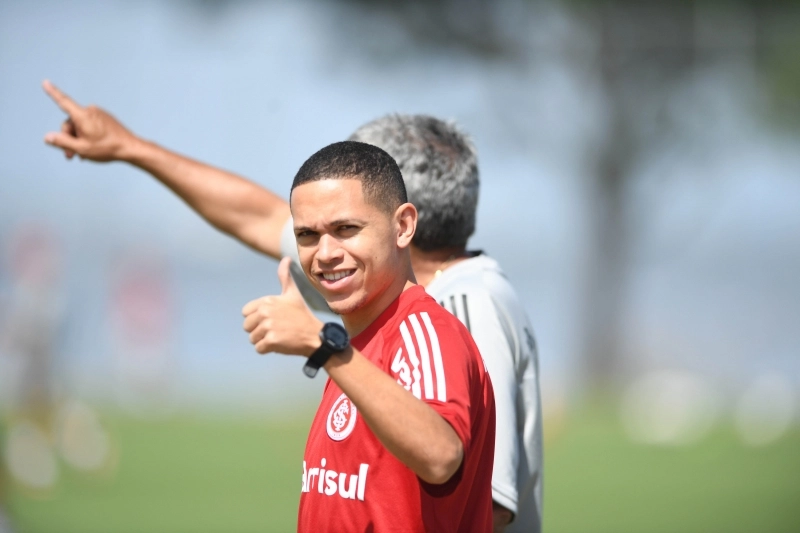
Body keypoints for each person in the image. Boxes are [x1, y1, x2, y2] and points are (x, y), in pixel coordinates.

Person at [42, 81, 542, 532]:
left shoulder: (452, 311)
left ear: (403, 222)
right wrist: (130, 148)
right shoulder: (359, 298)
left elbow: (457, 471)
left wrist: (323, 346)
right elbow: (257, 216)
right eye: (308, 233)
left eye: (346, 225)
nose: (323, 251)